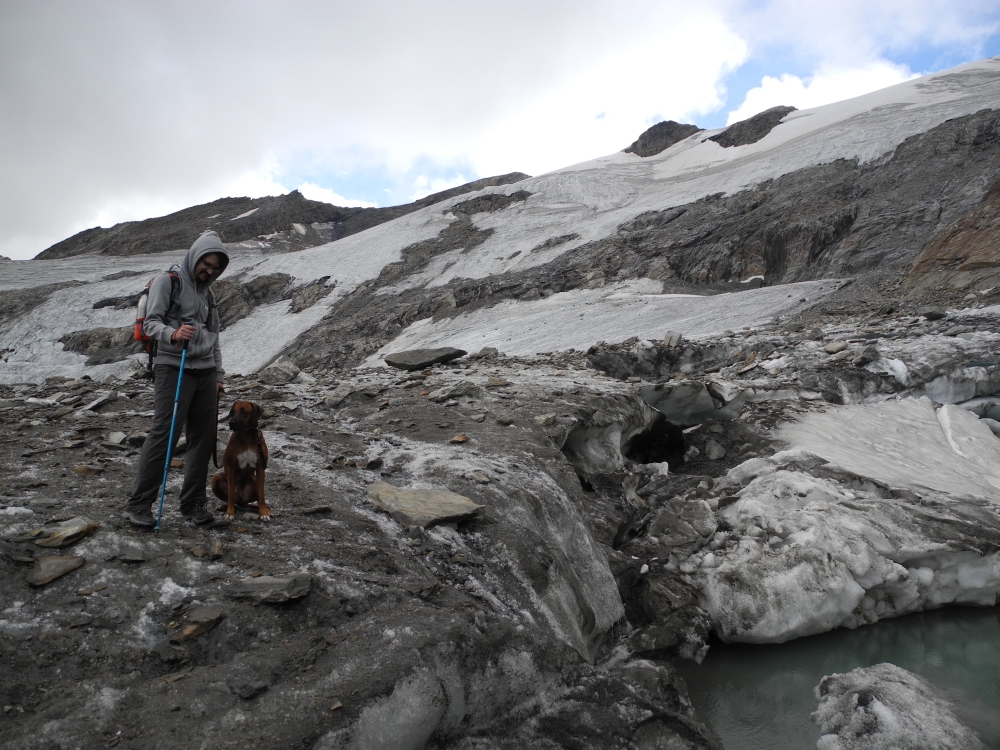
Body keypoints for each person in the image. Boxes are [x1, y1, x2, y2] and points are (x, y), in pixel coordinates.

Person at [123, 231, 229, 528]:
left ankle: (193, 504)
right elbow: (152, 322)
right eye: (206, 265)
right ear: (195, 257)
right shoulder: (167, 281)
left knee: (204, 438)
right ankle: (140, 504)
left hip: (205, 372)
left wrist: (218, 375)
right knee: (165, 434)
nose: (209, 271)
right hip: (174, 366)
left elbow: (214, 337)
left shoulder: (208, 293)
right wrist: (173, 334)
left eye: (215, 268)